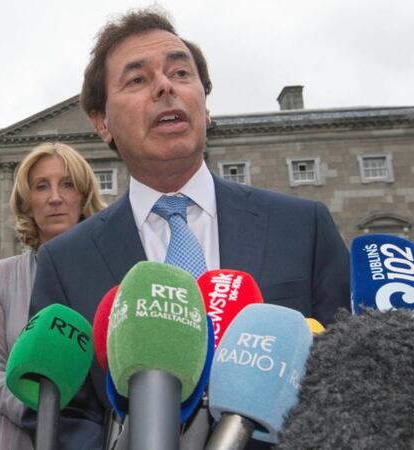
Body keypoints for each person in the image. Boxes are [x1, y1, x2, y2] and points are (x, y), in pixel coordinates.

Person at [25, 9, 350, 450]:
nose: (165, 86)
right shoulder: (65, 261)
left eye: (180, 72)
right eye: (137, 80)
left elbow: (349, 384)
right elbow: (67, 415)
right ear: (101, 122)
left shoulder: (304, 227)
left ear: (206, 105)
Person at [0, 142, 105, 450]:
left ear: (83, 197)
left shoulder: (107, 274)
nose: (55, 198)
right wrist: (46, 422)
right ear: (27, 202)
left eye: (68, 184)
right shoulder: (0, 277)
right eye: (42, 186)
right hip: (17, 437)